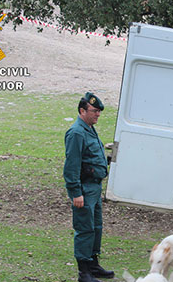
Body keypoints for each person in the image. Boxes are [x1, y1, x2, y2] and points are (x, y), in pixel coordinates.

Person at [64, 92, 114, 282]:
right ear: (82, 111)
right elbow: (71, 166)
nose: (97, 115)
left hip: (94, 188)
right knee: (85, 228)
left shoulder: (89, 129)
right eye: (94, 111)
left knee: (96, 227)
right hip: (84, 189)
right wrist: (76, 193)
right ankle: (83, 272)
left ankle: (93, 264)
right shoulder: (76, 133)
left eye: (99, 112)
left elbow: (90, 156)